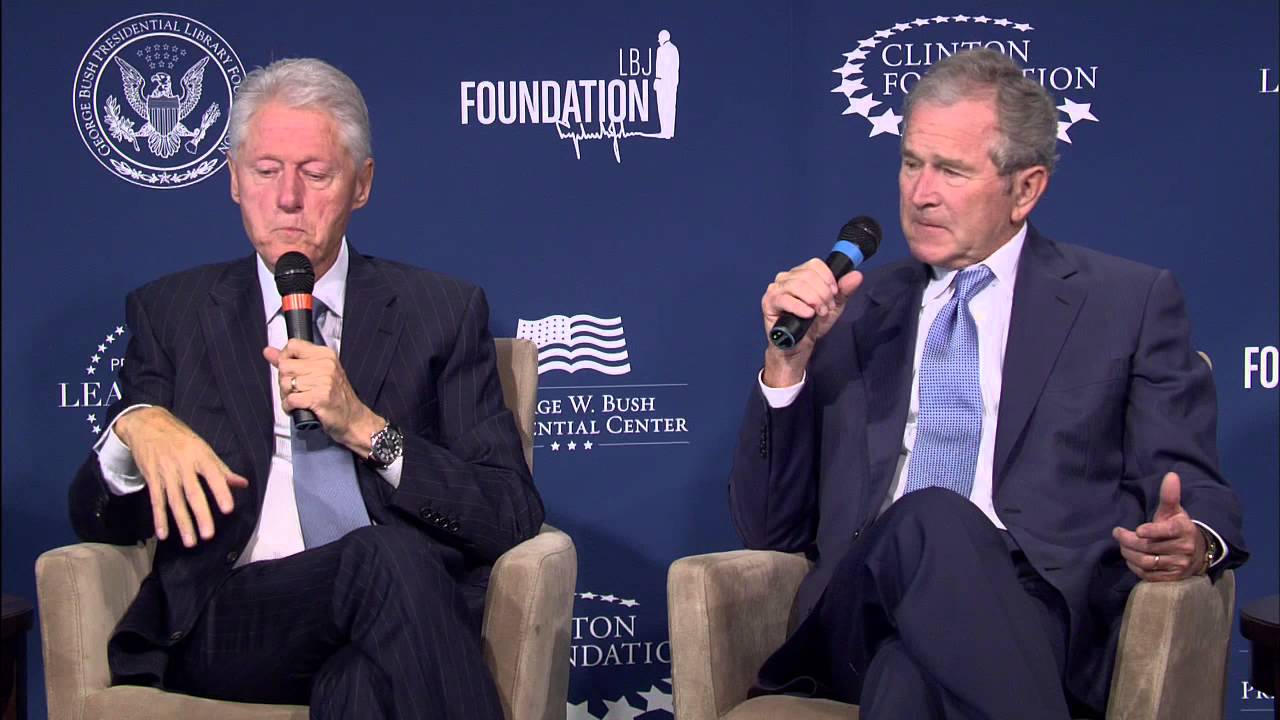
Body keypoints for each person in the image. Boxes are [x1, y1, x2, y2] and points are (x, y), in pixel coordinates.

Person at [730, 48, 1246, 719]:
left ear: (1026, 188)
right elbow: (770, 527)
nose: (921, 193)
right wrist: (786, 367)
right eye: (912, 163)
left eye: (950, 170)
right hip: (862, 605)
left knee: (908, 686)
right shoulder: (852, 311)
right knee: (930, 516)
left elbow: (1194, 482)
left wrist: (1196, 538)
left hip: (1039, 614)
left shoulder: (1127, 303)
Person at [68, 58, 544, 719]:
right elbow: (98, 516)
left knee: (359, 686)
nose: (288, 198)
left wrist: (366, 430)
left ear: (362, 185)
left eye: (315, 174)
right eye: (266, 171)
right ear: (234, 180)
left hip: (402, 620)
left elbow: (509, 513)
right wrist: (134, 427)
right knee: (378, 558)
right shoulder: (172, 313)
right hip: (235, 621)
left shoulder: (442, 312)